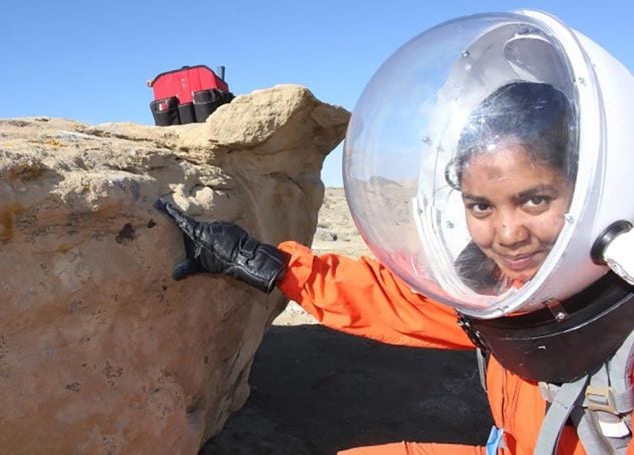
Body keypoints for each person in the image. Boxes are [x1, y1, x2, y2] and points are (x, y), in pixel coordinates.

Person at [156, 11, 634, 455]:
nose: (507, 234)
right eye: (480, 205)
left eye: (535, 200)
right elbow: (396, 300)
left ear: (598, 189)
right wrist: (260, 262)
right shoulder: (508, 291)